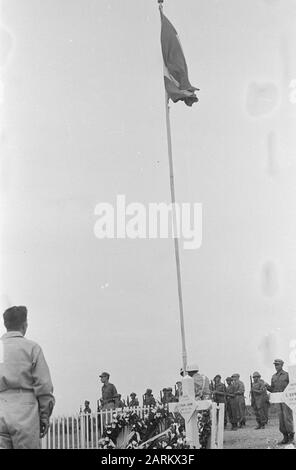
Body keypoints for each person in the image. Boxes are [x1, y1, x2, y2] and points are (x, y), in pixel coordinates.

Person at [0, 306, 55, 449]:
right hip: (26, 413)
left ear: (6, 324)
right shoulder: (32, 348)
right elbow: (44, 386)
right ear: (24, 324)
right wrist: (44, 416)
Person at [265, 359, 294, 444]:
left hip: (286, 400)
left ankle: (291, 437)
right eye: (275, 365)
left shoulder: (287, 375)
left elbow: (292, 386)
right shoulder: (273, 376)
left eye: (278, 365)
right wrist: (267, 386)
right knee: (281, 419)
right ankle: (285, 437)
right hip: (278, 400)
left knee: (287, 418)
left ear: (282, 365)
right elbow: (273, 389)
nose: (276, 366)